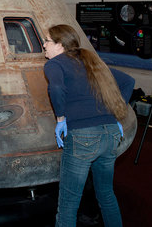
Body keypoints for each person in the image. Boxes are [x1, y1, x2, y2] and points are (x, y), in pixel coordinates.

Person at [43, 24, 134, 227]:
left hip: (82, 137)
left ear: (60, 45)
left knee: (68, 204)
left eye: (47, 40)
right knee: (107, 195)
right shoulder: (90, 60)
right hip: (110, 135)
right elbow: (128, 81)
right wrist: (117, 116)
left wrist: (61, 119)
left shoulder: (55, 64)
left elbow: (56, 87)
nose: (44, 45)